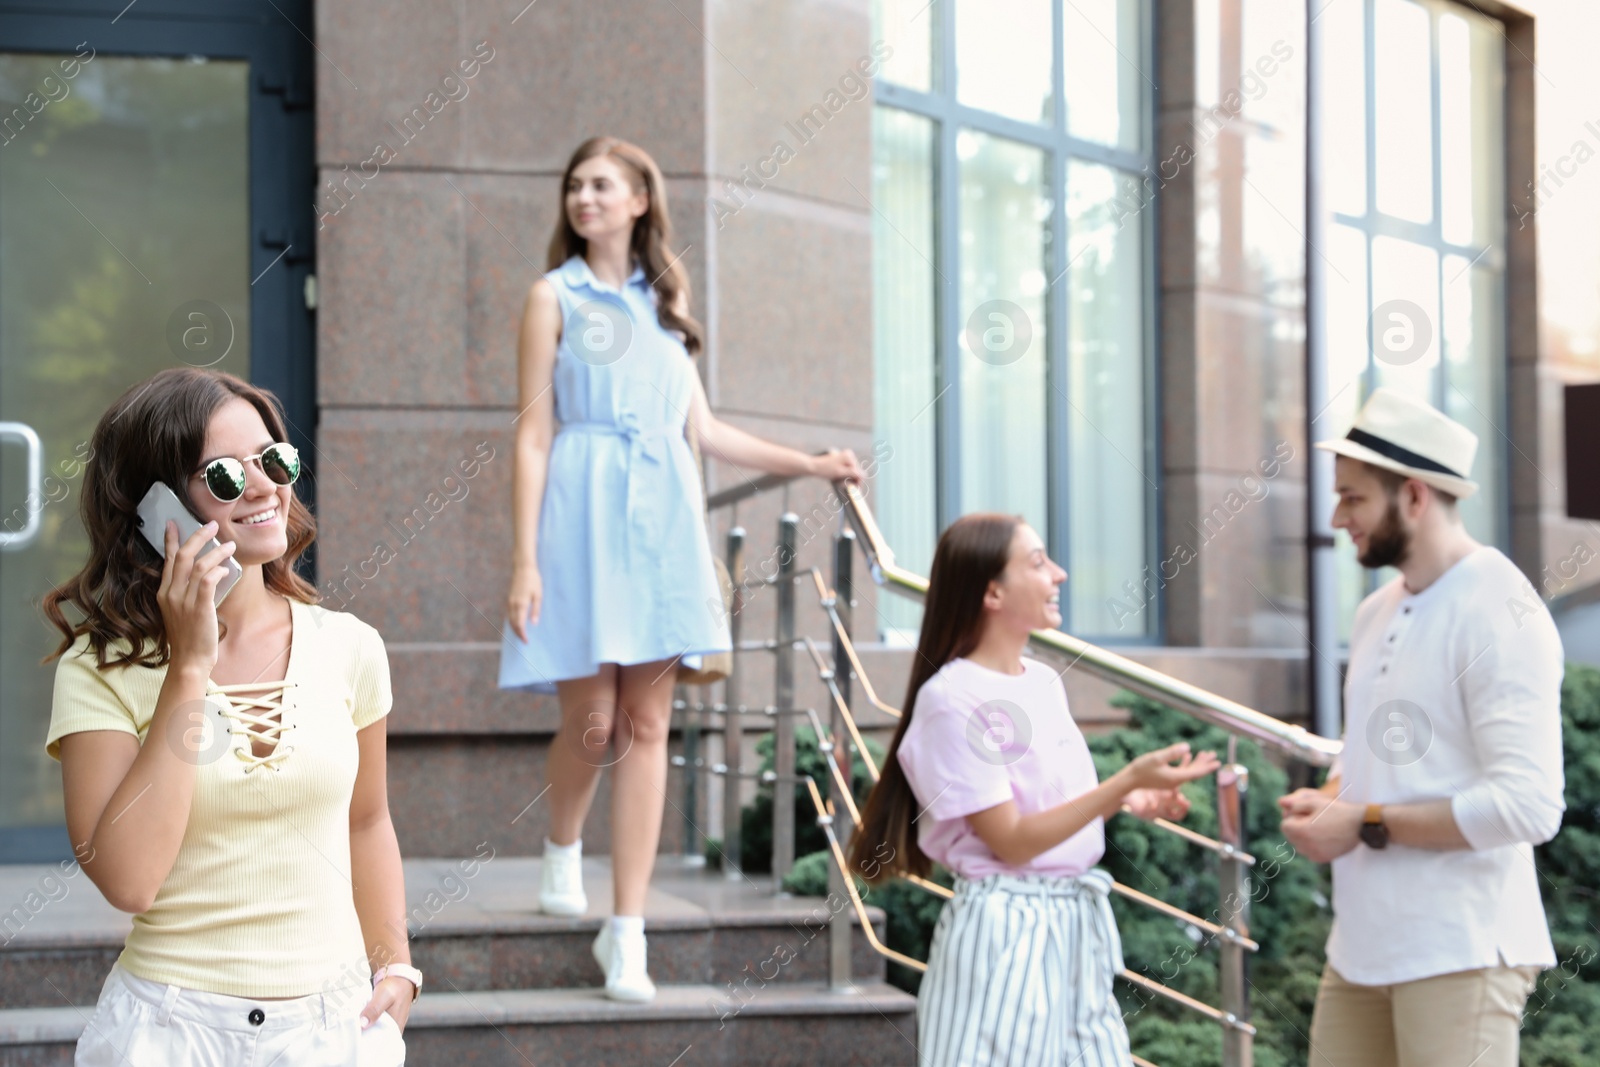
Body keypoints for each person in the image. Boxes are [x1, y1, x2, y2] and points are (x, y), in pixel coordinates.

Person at [499, 135, 864, 1002]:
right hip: (579, 513)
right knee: (595, 721)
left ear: (638, 201)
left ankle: (626, 932)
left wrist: (808, 462)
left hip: (663, 517)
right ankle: (562, 844)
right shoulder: (551, 296)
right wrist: (523, 558)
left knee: (649, 724)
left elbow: (705, 430)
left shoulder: (668, 301)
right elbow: (533, 432)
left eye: (601, 185)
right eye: (574, 184)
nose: (583, 197)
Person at [41, 368, 415, 1066]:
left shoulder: (351, 646)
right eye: (221, 473)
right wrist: (188, 666)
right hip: (170, 1033)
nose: (264, 484)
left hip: (332, 1029)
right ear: (156, 508)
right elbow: (129, 879)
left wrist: (395, 964)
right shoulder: (99, 670)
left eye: (274, 459)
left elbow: (367, 820)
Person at [848, 513, 1220, 1066]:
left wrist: (1129, 798)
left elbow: (1047, 807)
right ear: (992, 593)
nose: (1061, 574)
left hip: (1075, 923)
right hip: (1004, 932)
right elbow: (1014, 842)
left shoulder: (1043, 680)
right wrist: (1123, 781)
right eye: (1039, 562)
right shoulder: (951, 700)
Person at [1279, 387, 1565, 1067]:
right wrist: (1336, 796)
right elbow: (1370, 759)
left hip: (1463, 950)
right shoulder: (1375, 610)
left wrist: (1366, 819)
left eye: (1352, 497)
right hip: (1360, 948)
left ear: (1412, 496)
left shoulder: (1501, 609)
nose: (1336, 514)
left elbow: (1529, 806)